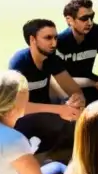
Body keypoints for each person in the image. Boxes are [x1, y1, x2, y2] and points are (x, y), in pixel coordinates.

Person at [10, 19, 83, 155]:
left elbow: (73, 89)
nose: (54, 43)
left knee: (77, 116)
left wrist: (77, 100)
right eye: (48, 38)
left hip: (47, 112)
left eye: (55, 37)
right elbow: (17, 106)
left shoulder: (51, 59)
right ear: (33, 39)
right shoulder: (20, 63)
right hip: (24, 118)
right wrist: (60, 109)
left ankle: (73, 159)